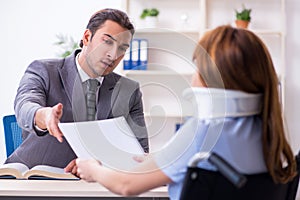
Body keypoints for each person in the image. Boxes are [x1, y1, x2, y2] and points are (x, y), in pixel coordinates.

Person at [75, 25, 297, 199]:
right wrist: (156, 159)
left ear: (211, 78)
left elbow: (126, 185)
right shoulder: (269, 137)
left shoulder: (202, 133)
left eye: (197, 69)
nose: (193, 77)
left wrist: (93, 169)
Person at [5, 8, 149, 170]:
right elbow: (25, 105)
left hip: (94, 185)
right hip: (35, 178)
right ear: (87, 37)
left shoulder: (129, 90)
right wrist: (45, 116)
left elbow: (140, 153)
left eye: (122, 48)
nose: (114, 55)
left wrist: (102, 164)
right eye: (107, 42)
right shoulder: (44, 70)